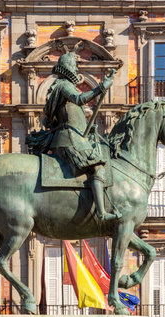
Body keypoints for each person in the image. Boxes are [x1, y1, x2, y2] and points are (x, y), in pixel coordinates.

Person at [43, 52, 121, 222]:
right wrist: (101, 87)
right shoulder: (64, 85)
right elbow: (78, 99)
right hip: (68, 139)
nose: (76, 68)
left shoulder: (61, 86)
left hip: (72, 136)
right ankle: (101, 213)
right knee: (97, 167)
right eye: (74, 65)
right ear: (66, 68)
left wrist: (88, 128)